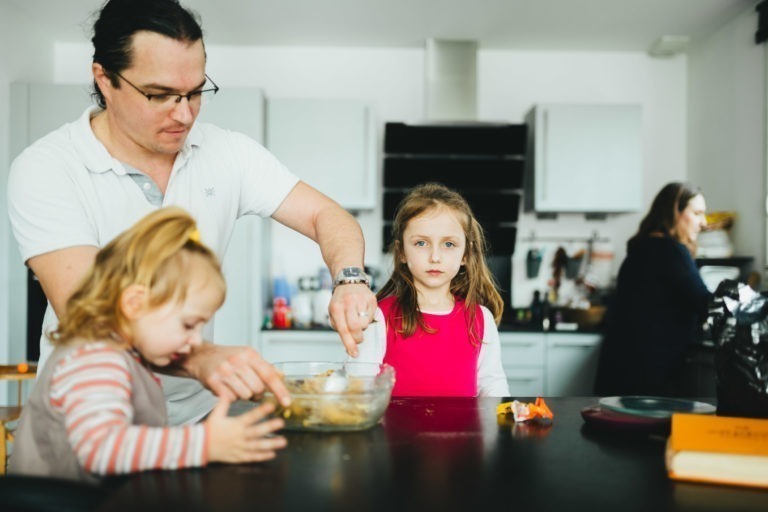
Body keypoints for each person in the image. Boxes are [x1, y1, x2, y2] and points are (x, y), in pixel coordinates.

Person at [7, 0, 376, 425]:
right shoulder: (49, 167)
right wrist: (200, 358)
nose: (184, 115)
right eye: (160, 95)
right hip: (84, 427)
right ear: (104, 79)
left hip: (196, 423)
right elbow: (91, 315)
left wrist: (349, 279)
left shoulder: (228, 153)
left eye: (196, 91)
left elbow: (327, 215)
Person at [9, 207, 287, 482]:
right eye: (189, 325)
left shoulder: (122, 354)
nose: (195, 341)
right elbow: (102, 449)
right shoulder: (95, 359)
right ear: (134, 303)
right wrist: (204, 444)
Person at [357, 183, 510, 397]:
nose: (435, 257)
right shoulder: (378, 316)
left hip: (464, 431)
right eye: (421, 243)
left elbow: (492, 385)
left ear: (466, 254)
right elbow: (359, 387)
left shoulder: (481, 319)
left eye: (449, 244)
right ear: (401, 252)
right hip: (395, 431)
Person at [593, 182, 712, 397]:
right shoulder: (672, 251)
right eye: (697, 213)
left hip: (621, 368)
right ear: (675, 212)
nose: (703, 223)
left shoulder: (641, 248)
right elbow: (704, 302)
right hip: (649, 376)